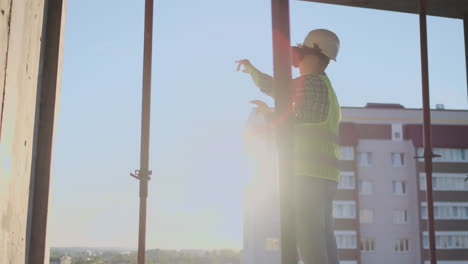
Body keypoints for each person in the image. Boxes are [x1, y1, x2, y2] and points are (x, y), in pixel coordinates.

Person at [236, 29, 341, 264]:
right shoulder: (327, 89)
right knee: (325, 238)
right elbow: (300, 121)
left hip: (308, 175)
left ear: (314, 55)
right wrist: (271, 114)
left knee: (309, 240)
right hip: (327, 177)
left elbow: (274, 87)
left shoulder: (311, 82)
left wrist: (251, 69)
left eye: (303, 53)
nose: (299, 60)